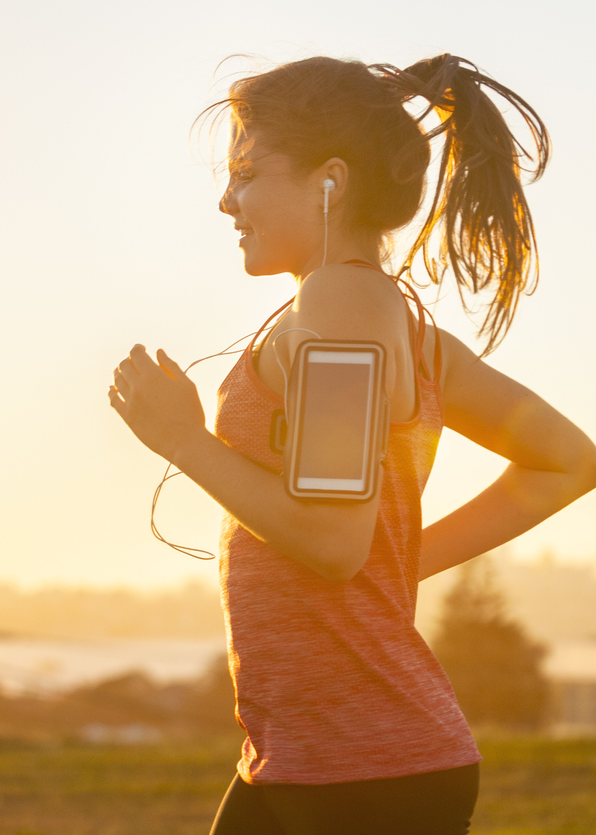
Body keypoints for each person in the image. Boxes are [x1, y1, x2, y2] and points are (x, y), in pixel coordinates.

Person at [107, 55, 596, 835]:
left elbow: (332, 541)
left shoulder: (335, 302)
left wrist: (182, 440)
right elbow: (565, 461)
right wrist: (401, 561)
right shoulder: (406, 332)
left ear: (329, 181)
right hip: (317, 757)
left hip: (362, 772)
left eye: (246, 171)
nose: (226, 199)